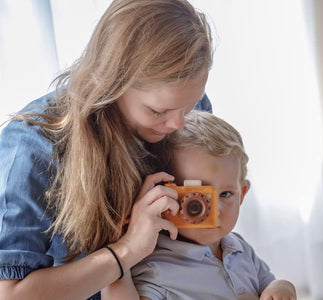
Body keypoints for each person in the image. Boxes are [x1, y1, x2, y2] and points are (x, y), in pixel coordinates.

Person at [0, 1, 212, 299]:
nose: (178, 124)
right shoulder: (33, 145)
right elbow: (11, 294)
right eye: (156, 111)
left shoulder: (187, 111)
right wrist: (126, 250)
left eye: (189, 107)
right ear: (112, 83)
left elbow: (211, 230)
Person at [101, 111, 297, 300]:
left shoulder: (239, 248)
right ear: (163, 196)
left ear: (242, 194)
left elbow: (267, 283)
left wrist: (281, 286)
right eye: (198, 199)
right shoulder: (157, 266)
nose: (216, 209)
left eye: (226, 194)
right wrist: (120, 264)